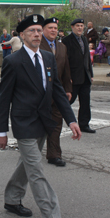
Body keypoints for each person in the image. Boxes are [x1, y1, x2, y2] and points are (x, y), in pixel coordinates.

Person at [0, 14, 81, 218]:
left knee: (26, 163)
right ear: (22, 35)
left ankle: (12, 200)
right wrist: (1, 131)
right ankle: (52, 217)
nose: (37, 34)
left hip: (44, 122)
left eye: (39, 30)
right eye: (32, 31)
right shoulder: (12, 61)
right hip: (24, 123)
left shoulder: (48, 57)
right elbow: (4, 99)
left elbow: (58, 92)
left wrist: (71, 120)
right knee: (36, 169)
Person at [40, 17, 72, 167]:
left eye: (55, 28)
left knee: (56, 125)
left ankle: (54, 155)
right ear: (43, 30)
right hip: (40, 94)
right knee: (37, 124)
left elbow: (66, 70)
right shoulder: (36, 45)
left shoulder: (62, 47)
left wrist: (68, 89)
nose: (53, 30)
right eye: (49, 28)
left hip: (57, 93)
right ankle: (29, 150)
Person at [62, 18, 95, 133]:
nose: (80, 28)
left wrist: (90, 73)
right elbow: (64, 61)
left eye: (81, 25)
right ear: (72, 27)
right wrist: (67, 77)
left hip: (85, 76)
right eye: (77, 26)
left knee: (85, 102)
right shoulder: (66, 41)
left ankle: (84, 124)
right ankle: (55, 119)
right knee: (68, 101)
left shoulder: (84, 39)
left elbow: (87, 58)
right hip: (73, 77)